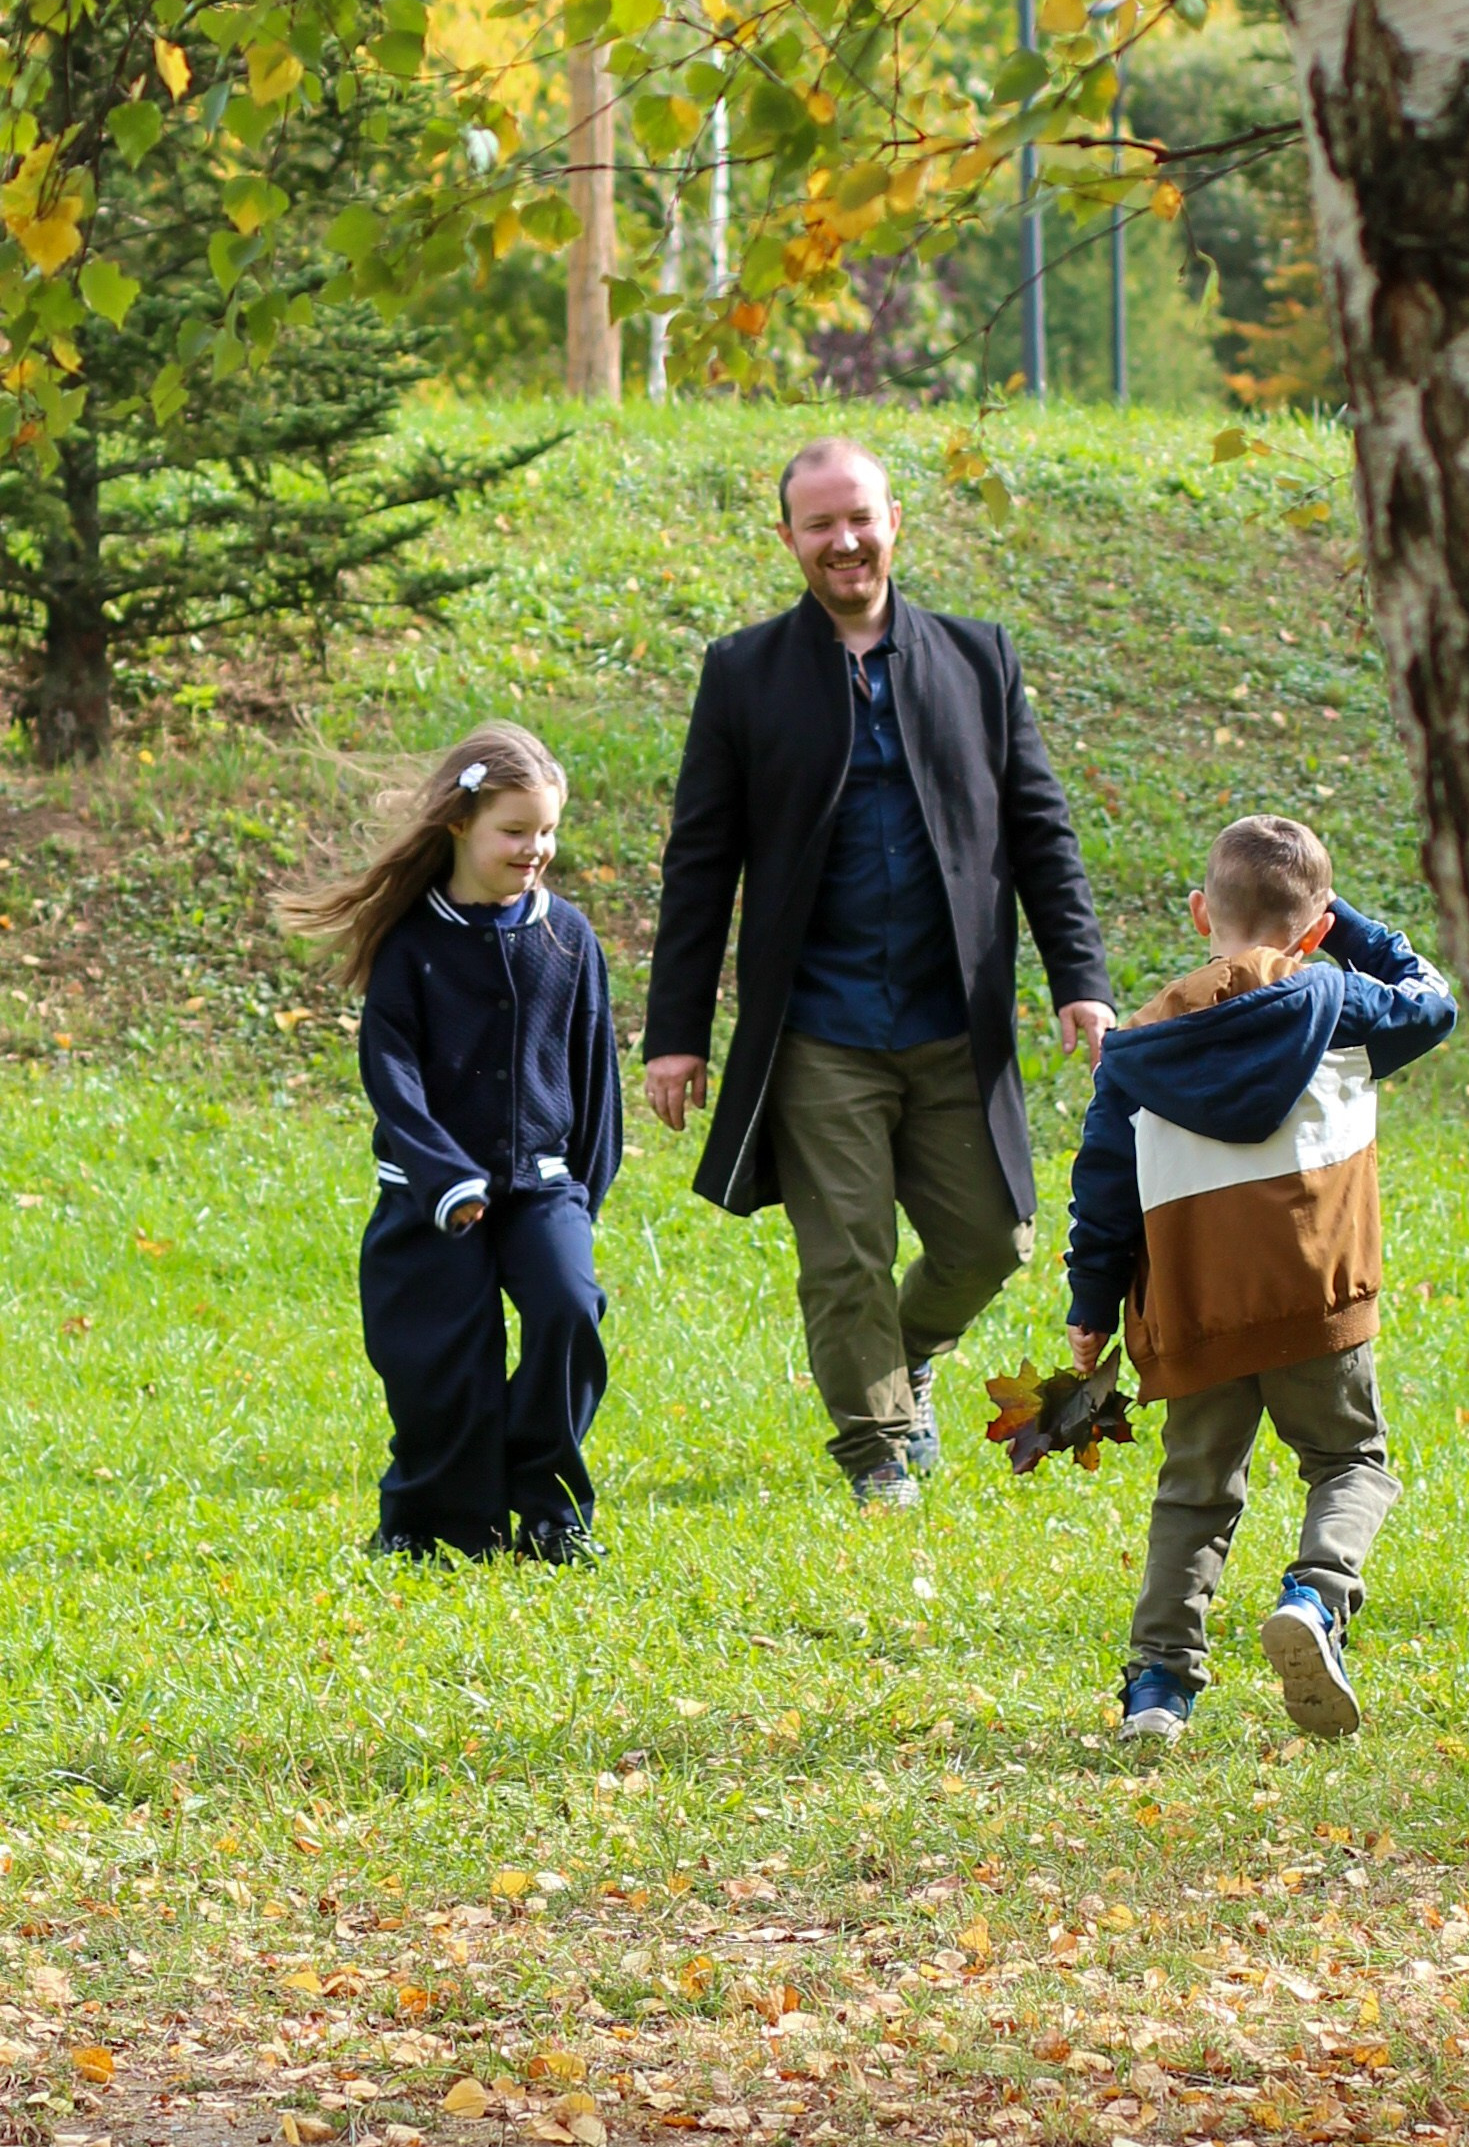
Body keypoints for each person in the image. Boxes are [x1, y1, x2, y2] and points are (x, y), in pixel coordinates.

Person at [643, 438, 1115, 1510]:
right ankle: (876, 1452)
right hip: (818, 1029)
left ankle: (903, 1361)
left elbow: (1040, 832)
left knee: (992, 1239)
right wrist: (675, 1032)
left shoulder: (977, 658)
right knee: (843, 1253)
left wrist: (1075, 975)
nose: (843, 541)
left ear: (893, 519)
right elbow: (700, 863)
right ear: (788, 540)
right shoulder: (743, 674)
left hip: (956, 1021)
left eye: (857, 517)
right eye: (818, 524)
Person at [1063, 814, 1455, 1744]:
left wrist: (1089, 1306)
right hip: (1316, 1298)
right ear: (1315, 931)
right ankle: (1316, 1599)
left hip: (1197, 1308)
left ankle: (1158, 1687)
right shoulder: (1344, 1005)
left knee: (1194, 1492)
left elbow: (1103, 1185)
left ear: (1202, 912)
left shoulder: (1140, 1046)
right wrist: (1334, 922)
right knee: (1350, 1461)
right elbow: (1431, 997)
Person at [278, 722, 622, 1565]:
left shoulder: (567, 936)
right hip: (432, 1193)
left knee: (569, 1310)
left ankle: (549, 1511)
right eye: (516, 830)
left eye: (547, 830)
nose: (535, 848)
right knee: (444, 1360)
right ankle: (441, 1525)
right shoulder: (411, 944)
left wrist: (582, 1194)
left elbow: (594, 1074)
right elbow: (391, 1078)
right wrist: (445, 1178)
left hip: (541, 1185)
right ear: (460, 824)